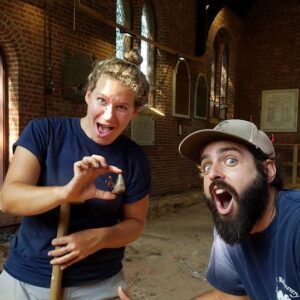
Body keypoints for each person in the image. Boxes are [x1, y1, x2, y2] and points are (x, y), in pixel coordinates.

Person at [0, 49, 151, 300]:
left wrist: (101, 237)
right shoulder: (44, 132)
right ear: (89, 95)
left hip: (99, 284)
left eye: (122, 106)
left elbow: (135, 224)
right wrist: (66, 193)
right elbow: (8, 200)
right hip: (27, 279)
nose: (108, 115)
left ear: (135, 111)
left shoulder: (133, 157)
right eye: (102, 100)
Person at [177, 119, 300, 299]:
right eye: (207, 166)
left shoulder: (296, 226)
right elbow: (226, 298)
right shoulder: (230, 229)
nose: (212, 173)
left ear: (267, 171)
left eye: (231, 160)